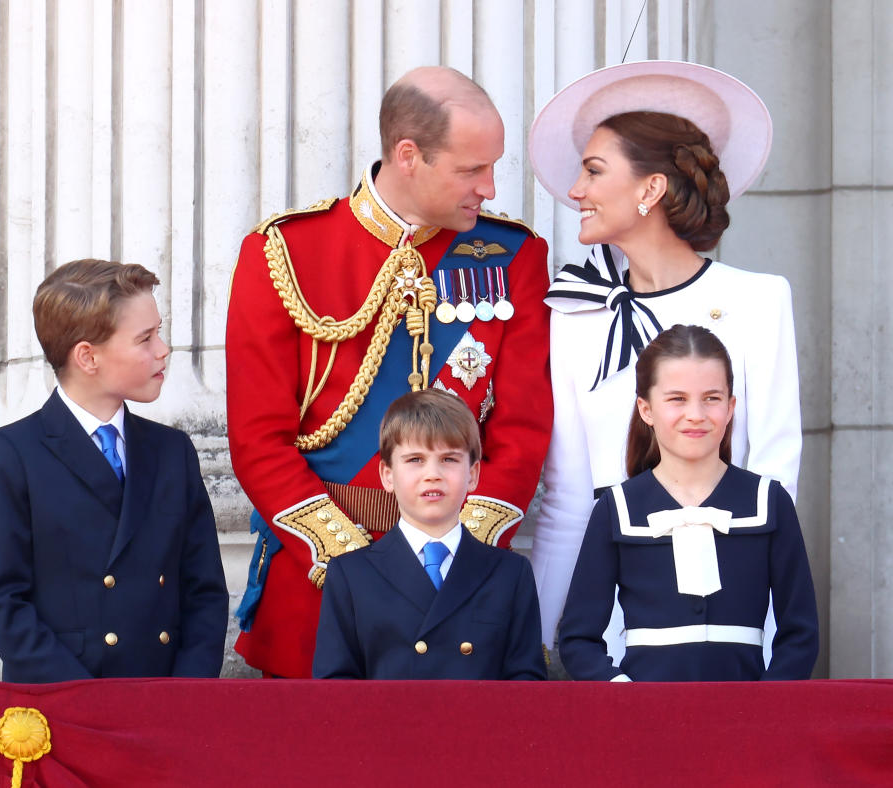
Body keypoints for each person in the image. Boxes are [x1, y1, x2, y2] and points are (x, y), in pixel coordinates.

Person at [227, 66, 552, 678]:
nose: (489, 186)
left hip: (461, 587)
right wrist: (355, 567)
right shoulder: (285, 251)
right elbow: (256, 440)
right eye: (470, 169)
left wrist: (456, 552)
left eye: (492, 167)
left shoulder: (515, 257)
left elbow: (523, 431)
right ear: (409, 156)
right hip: (320, 585)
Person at [526, 61, 802, 655]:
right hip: (609, 628)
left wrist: (773, 638)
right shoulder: (575, 312)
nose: (576, 191)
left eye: (594, 172)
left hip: (729, 620)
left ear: (650, 189)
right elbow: (569, 497)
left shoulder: (758, 301)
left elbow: (775, 479)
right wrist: (543, 641)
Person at [0, 260, 228, 683]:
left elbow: (204, 592)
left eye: (158, 332)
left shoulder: (171, 451)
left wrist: (186, 695)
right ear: (87, 356)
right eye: (145, 339)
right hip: (61, 708)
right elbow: (2, 604)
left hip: (165, 704)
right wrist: (85, 702)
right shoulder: (12, 453)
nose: (163, 349)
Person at [558, 325, 817, 681]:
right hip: (645, 720)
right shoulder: (616, 508)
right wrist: (622, 693)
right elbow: (578, 639)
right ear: (646, 409)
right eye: (677, 398)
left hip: (748, 721)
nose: (696, 414)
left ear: (730, 407)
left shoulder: (770, 502)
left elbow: (801, 634)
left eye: (711, 398)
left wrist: (765, 705)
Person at [313, 389, 545, 680]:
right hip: (385, 725)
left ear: (472, 475)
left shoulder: (510, 574)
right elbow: (336, 690)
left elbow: (526, 688)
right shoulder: (351, 575)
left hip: (480, 725)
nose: (432, 474)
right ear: (387, 475)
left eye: (448, 459)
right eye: (415, 460)